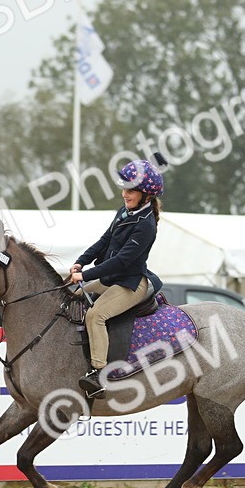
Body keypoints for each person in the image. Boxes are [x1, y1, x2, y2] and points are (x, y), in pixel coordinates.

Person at [69, 155, 166, 399]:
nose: (125, 193)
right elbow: (104, 242)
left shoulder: (146, 225)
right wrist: (81, 260)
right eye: (124, 188)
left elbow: (122, 261)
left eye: (131, 190)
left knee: (95, 315)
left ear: (147, 195)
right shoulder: (124, 212)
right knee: (73, 296)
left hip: (130, 284)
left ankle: (99, 375)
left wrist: (85, 274)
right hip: (112, 278)